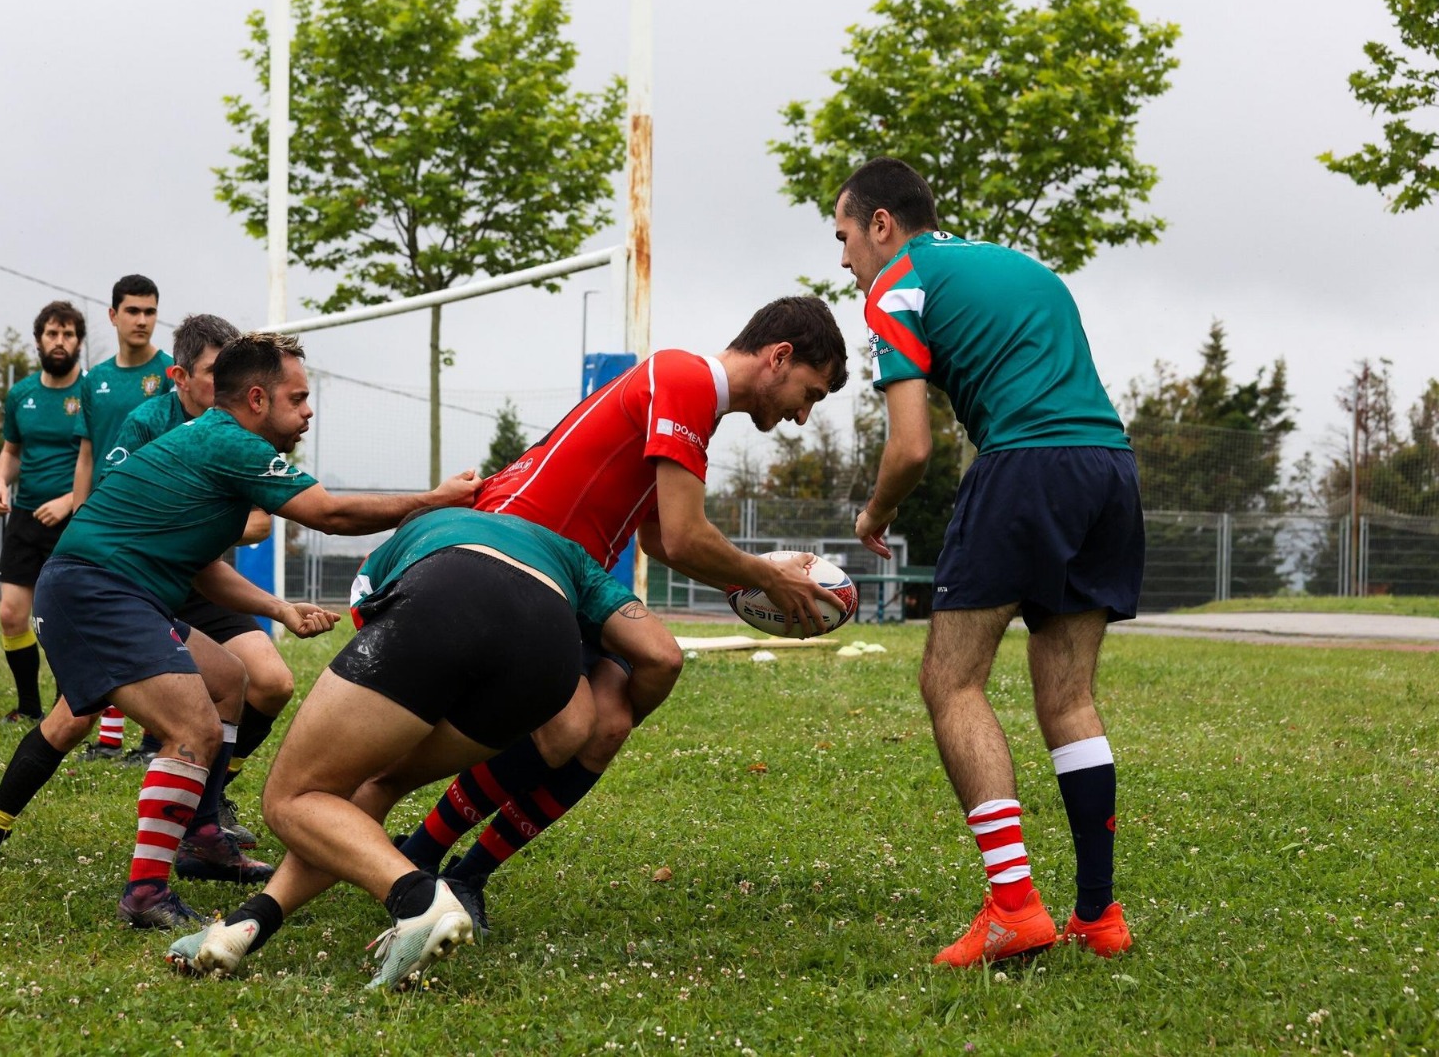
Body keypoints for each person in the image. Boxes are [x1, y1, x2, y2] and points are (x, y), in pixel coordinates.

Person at [0, 332, 480, 929]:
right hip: (93, 591)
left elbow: (203, 569)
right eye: (299, 398)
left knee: (230, 678)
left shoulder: (211, 442)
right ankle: (146, 895)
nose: (309, 412)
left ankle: (203, 837)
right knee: (189, 728)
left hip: (117, 591)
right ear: (257, 399)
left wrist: (280, 610)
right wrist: (434, 501)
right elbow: (330, 515)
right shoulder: (232, 443)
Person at [393, 295, 850, 935]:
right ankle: (420, 854)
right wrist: (765, 575)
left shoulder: (699, 406)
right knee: (570, 726)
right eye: (812, 392)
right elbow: (686, 537)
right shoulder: (685, 378)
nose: (803, 415)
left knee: (618, 711)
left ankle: (467, 874)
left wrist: (745, 582)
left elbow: (662, 538)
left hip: (570, 576)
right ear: (779, 357)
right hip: (512, 550)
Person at [833, 156, 1144, 966]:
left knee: (950, 680)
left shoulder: (896, 285)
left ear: (881, 224)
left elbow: (910, 448)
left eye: (844, 236)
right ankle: (1099, 915)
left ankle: (1014, 906)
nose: (843, 260)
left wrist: (875, 513)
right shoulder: (1015, 264)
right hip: (1108, 467)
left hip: (1025, 469)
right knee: (1069, 697)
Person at [167, 505, 679, 991]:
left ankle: (420, 899)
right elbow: (660, 655)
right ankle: (246, 924)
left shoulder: (404, 543)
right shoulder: (566, 551)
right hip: (549, 646)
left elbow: (382, 634)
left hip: (445, 595)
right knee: (374, 786)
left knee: (292, 798)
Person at [105, 312, 295, 847]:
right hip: (141, 584)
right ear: (182, 376)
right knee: (67, 723)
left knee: (273, 683)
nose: (225, 382)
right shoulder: (145, 423)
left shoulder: (239, 429)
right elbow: (121, 507)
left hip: (209, 580)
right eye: (215, 369)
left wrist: (195, 526)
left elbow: (261, 519)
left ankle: (212, 799)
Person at [74, 273, 175, 762]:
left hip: (157, 518)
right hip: (107, 518)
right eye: (132, 310)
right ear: (112, 315)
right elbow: (87, 454)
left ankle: (154, 738)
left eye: (150, 311)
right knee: (110, 625)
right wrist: (79, 514)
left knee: (154, 624)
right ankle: (111, 739)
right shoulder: (94, 380)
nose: (142, 320)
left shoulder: (172, 372)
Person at [0, 301, 86, 723]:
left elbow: (101, 458)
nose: (59, 341)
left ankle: (68, 708)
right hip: (25, 517)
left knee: (64, 620)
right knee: (11, 614)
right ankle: (28, 706)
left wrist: (69, 500)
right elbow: (11, 450)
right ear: (39, 340)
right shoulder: (21, 394)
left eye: (67, 334)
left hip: (74, 521)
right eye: (52, 333)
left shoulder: (91, 391)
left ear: (79, 342)